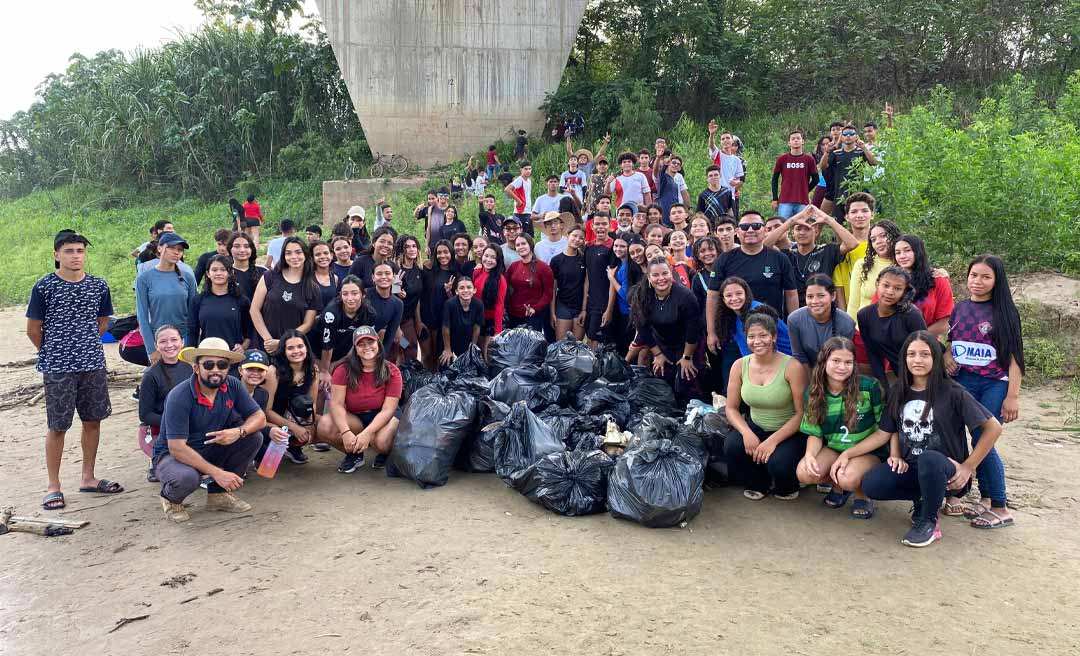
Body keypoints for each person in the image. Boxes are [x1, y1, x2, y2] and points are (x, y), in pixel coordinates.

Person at [856, 331, 1003, 547]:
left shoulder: (952, 391)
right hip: (912, 468)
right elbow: (890, 428)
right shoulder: (898, 390)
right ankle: (923, 500)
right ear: (904, 358)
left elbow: (994, 428)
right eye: (911, 354)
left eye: (924, 354)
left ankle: (928, 522)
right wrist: (894, 454)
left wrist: (968, 467)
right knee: (872, 484)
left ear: (935, 357)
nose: (917, 360)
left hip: (947, 474)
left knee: (930, 459)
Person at [28, 230, 119, 510]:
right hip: (57, 367)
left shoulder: (98, 286)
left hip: (92, 363)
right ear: (57, 255)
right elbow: (33, 330)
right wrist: (56, 350)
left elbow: (103, 322)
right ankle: (53, 486)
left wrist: (85, 344)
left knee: (93, 420)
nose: (75, 256)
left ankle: (88, 477)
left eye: (79, 251)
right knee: (58, 426)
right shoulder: (44, 287)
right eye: (69, 251)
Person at [942, 254, 1023, 528]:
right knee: (969, 438)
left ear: (997, 280)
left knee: (983, 438)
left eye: (986, 277)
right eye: (974, 275)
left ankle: (1001, 507)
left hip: (994, 383)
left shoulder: (1005, 313)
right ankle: (986, 498)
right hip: (964, 380)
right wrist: (948, 356)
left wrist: (1012, 396)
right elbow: (952, 340)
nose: (978, 281)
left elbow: (1015, 359)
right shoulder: (960, 308)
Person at [152, 337, 266, 523]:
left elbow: (259, 418)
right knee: (187, 477)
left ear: (228, 368)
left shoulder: (232, 384)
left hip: (210, 446)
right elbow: (176, 448)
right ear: (196, 367)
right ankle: (170, 499)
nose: (216, 370)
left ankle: (218, 496)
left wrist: (238, 432)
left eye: (222, 364)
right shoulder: (179, 396)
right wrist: (217, 473)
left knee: (254, 438)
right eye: (209, 364)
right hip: (173, 456)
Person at [723, 312, 809, 500]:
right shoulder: (739, 365)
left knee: (779, 464)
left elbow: (802, 413)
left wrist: (773, 441)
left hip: (789, 430)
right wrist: (746, 433)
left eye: (763, 335)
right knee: (732, 446)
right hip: (757, 425)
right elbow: (731, 408)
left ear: (774, 336)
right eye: (751, 336)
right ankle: (758, 482)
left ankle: (787, 485)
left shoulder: (792, 366)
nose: (757, 341)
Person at [796, 336, 885, 517]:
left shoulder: (869, 387)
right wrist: (810, 455)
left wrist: (848, 454)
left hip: (867, 450)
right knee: (805, 473)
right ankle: (839, 485)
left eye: (848, 362)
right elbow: (815, 433)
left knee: (848, 478)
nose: (842, 367)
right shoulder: (814, 392)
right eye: (836, 361)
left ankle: (861, 492)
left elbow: (884, 431)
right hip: (835, 448)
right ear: (824, 361)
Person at [705, 211, 798, 353]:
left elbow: (791, 295)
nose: (750, 230)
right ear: (737, 232)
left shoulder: (779, 259)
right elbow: (712, 296)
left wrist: (793, 328)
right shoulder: (724, 260)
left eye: (756, 226)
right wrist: (711, 332)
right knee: (736, 373)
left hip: (771, 331)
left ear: (765, 230)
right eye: (744, 227)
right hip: (733, 333)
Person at [317, 326, 402, 473]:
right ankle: (354, 453)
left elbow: (389, 409)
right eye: (361, 344)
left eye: (371, 342)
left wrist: (367, 433)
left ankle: (386, 453)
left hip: (383, 415)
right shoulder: (343, 369)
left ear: (378, 344)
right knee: (325, 425)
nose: (367, 347)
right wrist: (345, 432)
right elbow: (336, 404)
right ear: (355, 349)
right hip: (356, 416)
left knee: (381, 442)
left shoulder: (392, 370)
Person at [628, 258, 702, 401]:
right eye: (655, 275)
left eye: (665, 273)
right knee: (662, 378)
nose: (661, 279)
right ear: (649, 278)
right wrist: (657, 354)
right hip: (661, 341)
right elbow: (642, 328)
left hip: (687, 342)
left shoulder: (686, 296)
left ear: (671, 274)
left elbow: (693, 329)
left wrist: (687, 357)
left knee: (686, 378)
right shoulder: (642, 295)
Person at [764, 204, 860, 305]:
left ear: (816, 231)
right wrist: (791, 221)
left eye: (807, 229)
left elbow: (853, 243)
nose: (802, 232)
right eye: (798, 229)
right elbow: (764, 246)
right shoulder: (787, 254)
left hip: (822, 307)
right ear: (793, 233)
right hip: (794, 311)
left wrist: (828, 220)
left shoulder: (827, 251)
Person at [138, 325, 193, 484]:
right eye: (163, 341)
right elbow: (145, 415)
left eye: (174, 340)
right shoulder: (151, 375)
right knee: (176, 469)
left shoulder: (189, 368)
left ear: (182, 342)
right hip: (157, 429)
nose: (169, 345)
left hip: (187, 426)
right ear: (156, 346)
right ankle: (156, 462)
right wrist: (175, 423)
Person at [858, 266, 928, 384]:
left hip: (924, 374)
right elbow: (873, 354)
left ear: (904, 291)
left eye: (897, 288)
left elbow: (927, 350)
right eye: (886, 285)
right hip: (899, 375)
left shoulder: (911, 315)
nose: (890, 292)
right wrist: (883, 387)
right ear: (877, 284)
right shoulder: (864, 316)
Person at [250, 236, 320, 354]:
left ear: (306, 255)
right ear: (283, 256)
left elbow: (308, 324)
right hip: (264, 344)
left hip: (292, 348)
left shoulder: (313, 288)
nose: (293, 257)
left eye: (298, 252)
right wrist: (268, 340)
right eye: (288, 253)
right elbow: (254, 310)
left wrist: (282, 342)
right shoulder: (270, 277)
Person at [263, 330, 320, 465]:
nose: (296, 351)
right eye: (290, 348)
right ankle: (262, 452)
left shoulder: (313, 370)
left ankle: (294, 447)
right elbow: (266, 410)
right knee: (267, 465)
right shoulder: (273, 371)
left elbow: (312, 403)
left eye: (300, 346)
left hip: (295, 416)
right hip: (272, 418)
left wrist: (309, 426)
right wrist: (294, 428)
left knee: (323, 425)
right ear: (283, 351)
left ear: (306, 348)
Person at [136, 232, 197, 357]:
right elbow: (142, 316)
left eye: (180, 250)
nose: (176, 252)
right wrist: (151, 349)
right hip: (159, 339)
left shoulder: (188, 277)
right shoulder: (144, 278)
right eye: (171, 248)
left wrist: (192, 344)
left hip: (183, 339)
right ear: (159, 248)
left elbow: (194, 313)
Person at [787, 274, 856, 372]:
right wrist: (811, 385)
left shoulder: (847, 323)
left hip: (837, 372)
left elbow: (844, 359)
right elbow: (799, 357)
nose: (815, 301)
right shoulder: (794, 320)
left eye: (821, 296)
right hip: (806, 372)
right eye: (810, 296)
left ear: (833, 296)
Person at [319, 275, 378, 380]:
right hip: (319, 353)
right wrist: (325, 371)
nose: (350, 298)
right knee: (324, 382)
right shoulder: (331, 314)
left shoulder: (369, 314)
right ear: (340, 295)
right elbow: (327, 346)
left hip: (345, 354)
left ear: (363, 295)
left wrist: (340, 362)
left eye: (354, 293)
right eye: (345, 294)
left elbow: (362, 342)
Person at [188, 255, 252, 352]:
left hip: (233, 355)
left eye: (223, 270)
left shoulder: (241, 301)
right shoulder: (198, 300)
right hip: (207, 355)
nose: (218, 273)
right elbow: (192, 331)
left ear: (230, 273)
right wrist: (191, 355)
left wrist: (243, 347)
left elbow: (250, 330)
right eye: (214, 270)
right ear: (208, 274)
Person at [893, 234, 953, 337]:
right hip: (892, 343)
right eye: (898, 253)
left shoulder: (938, 280)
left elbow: (945, 322)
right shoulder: (890, 280)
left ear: (918, 252)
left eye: (907, 250)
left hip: (926, 343)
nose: (902, 256)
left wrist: (915, 338)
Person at [847, 219, 901, 326]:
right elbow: (853, 304)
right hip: (863, 328)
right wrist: (849, 330)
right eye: (873, 239)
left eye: (883, 236)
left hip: (894, 329)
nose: (878, 242)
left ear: (894, 236)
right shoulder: (862, 265)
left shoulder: (903, 263)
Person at [820, 124, 877, 219]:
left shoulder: (860, 152)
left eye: (851, 134)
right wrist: (826, 152)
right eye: (845, 134)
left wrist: (864, 147)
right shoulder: (836, 153)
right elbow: (823, 167)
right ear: (841, 137)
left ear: (856, 136)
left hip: (857, 194)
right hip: (839, 194)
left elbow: (874, 162)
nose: (848, 136)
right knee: (839, 223)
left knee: (856, 221)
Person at [831, 192, 875, 309]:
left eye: (865, 211)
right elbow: (839, 286)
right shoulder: (842, 249)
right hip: (852, 311)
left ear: (872, 214)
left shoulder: (881, 246)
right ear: (847, 217)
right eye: (854, 212)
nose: (859, 215)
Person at [505, 235, 554, 333]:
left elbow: (548, 294)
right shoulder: (513, 267)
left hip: (532, 317)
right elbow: (503, 284)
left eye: (523, 243)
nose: (521, 247)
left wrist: (535, 308)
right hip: (513, 315)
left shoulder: (543, 268)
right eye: (518, 245)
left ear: (530, 245)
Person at [583, 215, 619, 348]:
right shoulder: (588, 247)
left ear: (610, 226)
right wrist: (584, 307)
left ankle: (596, 369)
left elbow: (612, 281)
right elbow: (587, 277)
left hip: (603, 304)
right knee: (589, 339)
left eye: (604, 224)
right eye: (597, 224)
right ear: (592, 227)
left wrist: (609, 309)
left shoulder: (613, 247)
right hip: (591, 303)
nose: (600, 227)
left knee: (596, 342)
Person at [548, 227, 589, 342]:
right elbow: (553, 288)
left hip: (579, 307)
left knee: (577, 346)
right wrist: (552, 313)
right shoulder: (556, 260)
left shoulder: (584, 259)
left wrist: (584, 309)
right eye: (574, 236)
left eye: (581, 238)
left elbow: (586, 285)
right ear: (568, 236)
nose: (577, 239)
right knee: (562, 345)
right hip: (563, 306)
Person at [420, 241, 456, 367]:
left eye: (446, 252)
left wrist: (449, 292)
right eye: (439, 252)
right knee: (425, 354)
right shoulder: (428, 270)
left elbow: (456, 302)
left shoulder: (455, 273)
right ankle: (426, 381)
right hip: (424, 319)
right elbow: (419, 293)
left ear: (451, 253)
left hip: (442, 321)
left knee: (438, 354)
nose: (442, 255)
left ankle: (436, 382)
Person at [770, 129, 819, 219]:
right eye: (793, 139)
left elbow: (816, 179)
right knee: (783, 227)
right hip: (785, 200)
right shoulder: (782, 159)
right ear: (789, 143)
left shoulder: (809, 159)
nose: (796, 140)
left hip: (802, 201)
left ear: (802, 141)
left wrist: (805, 190)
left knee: (802, 228)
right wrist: (774, 198)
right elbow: (774, 180)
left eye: (798, 138)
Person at [394, 235, 425, 361]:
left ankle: (407, 378)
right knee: (399, 349)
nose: (411, 249)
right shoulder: (397, 270)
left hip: (409, 319)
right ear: (402, 250)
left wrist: (418, 321)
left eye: (414, 246)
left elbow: (417, 298)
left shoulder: (419, 270)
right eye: (407, 247)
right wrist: (396, 290)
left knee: (410, 349)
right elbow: (392, 294)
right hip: (396, 321)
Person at [441, 277, 485, 364]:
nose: (465, 290)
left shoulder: (479, 304)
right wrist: (447, 349)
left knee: (473, 363)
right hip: (451, 338)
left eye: (469, 287)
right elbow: (446, 327)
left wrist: (472, 348)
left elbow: (477, 327)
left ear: (474, 290)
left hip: (468, 337)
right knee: (445, 363)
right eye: (461, 288)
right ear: (456, 291)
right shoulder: (449, 304)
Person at [473, 245, 507, 354]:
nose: (488, 260)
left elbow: (499, 306)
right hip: (476, 319)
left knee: (488, 354)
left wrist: (498, 332)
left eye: (493, 257)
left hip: (491, 321)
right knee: (478, 353)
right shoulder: (477, 272)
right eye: (486, 256)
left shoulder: (500, 280)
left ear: (498, 260)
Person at [369, 262, 404, 359]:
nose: (384, 277)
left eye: (387, 273)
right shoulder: (365, 296)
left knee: (407, 345)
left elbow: (390, 335)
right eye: (379, 274)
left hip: (404, 321)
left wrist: (382, 359)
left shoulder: (398, 303)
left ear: (393, 277)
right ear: (373, 277)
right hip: (362, 339)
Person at [227, 232, 266, 302]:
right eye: (237, 246)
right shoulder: (225, 273)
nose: (242, 250)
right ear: (230, 249)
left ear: (251, 249)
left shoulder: (264, 272)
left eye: (246, 246)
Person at [504, 161, 535, 236]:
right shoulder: (519, 180)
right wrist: (518, 201)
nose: (528, 171)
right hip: (520, 213)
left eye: (529, 169)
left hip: (528, 212)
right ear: (521, 170)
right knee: (522, 236)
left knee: (530, 236)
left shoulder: (529, 181)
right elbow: (507, 189)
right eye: (526, 169)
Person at [310, 241, 341, 311]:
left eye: (326, 253)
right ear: (312, 258)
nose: (323, 257)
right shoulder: (308, 278)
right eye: (318, 254)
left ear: (332, 255)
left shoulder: (335, 278)